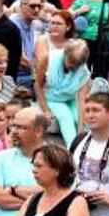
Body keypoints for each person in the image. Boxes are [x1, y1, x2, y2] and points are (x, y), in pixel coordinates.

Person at [35, 13, 90, 145]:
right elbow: (37, 85)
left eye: (75, 65)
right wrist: (46, 110)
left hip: (70, 98)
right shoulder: (49, 58)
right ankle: (73, 150)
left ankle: (86, 148)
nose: (72, 66)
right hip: (51, 98)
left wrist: (81, 129)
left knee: (82, 119)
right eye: (70, 62)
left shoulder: (82, 70)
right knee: (66, 117)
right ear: (65, 54)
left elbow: (82, 100)